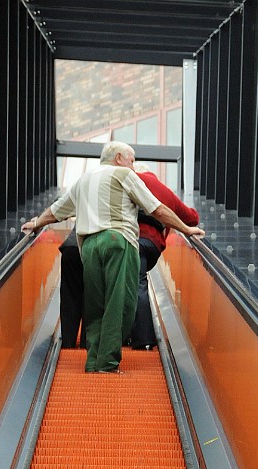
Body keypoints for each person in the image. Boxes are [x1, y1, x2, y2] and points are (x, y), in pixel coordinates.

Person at [22, 141, 204, 373]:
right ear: (118, 158)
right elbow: (157, 209)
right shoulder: (124, 175)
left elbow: (57, 210)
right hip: (118, 242)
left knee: (94, 304)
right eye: (131, 159)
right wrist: (186, 230)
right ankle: (107, 364)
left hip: (87, 246)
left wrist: (36, 223)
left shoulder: (84, 180)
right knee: (122, 303)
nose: (133, 164)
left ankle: (93, 361)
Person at [129, 163, 199, 348]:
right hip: (153, 245)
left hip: (132, 240)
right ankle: (141, 339)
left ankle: (142, 339)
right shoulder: (164, 190)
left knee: (133, 285)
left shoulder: (130, 179)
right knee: (138, 283)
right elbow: (192, 217)